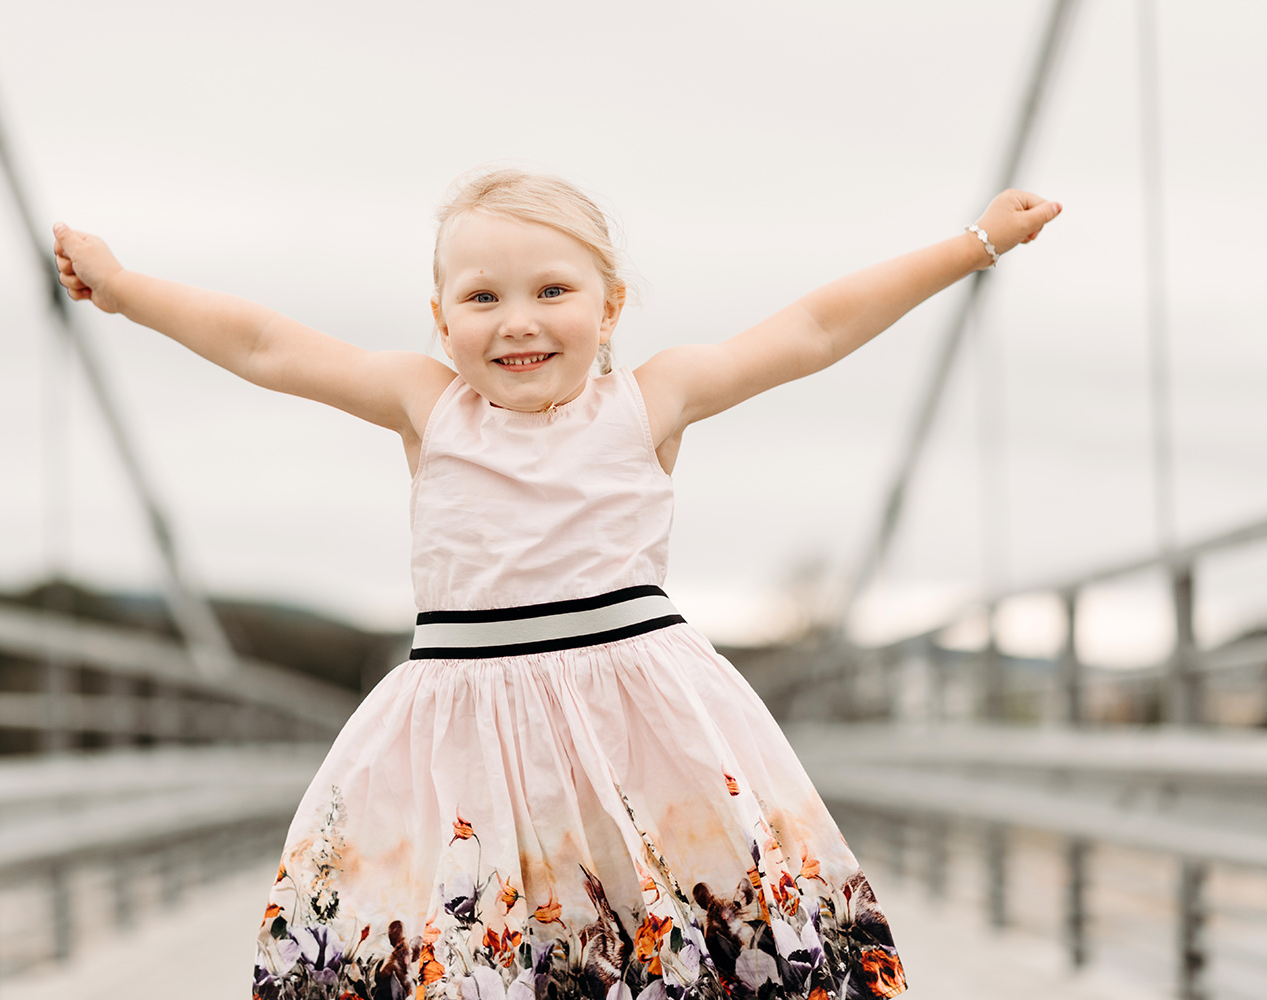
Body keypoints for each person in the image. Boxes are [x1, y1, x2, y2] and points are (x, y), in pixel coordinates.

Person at [52, 168, 1060, 1000]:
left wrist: (975, 242)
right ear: (441, 318)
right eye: (482, 297)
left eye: (552, 291)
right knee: (479, 957)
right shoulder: (428, 405)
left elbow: (815, 330)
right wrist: (126, 286)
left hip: (637, 736)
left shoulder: (649, 401)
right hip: (466, 743)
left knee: (667, 944)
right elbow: (266, 346)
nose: (518, 323)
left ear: (609, 305)